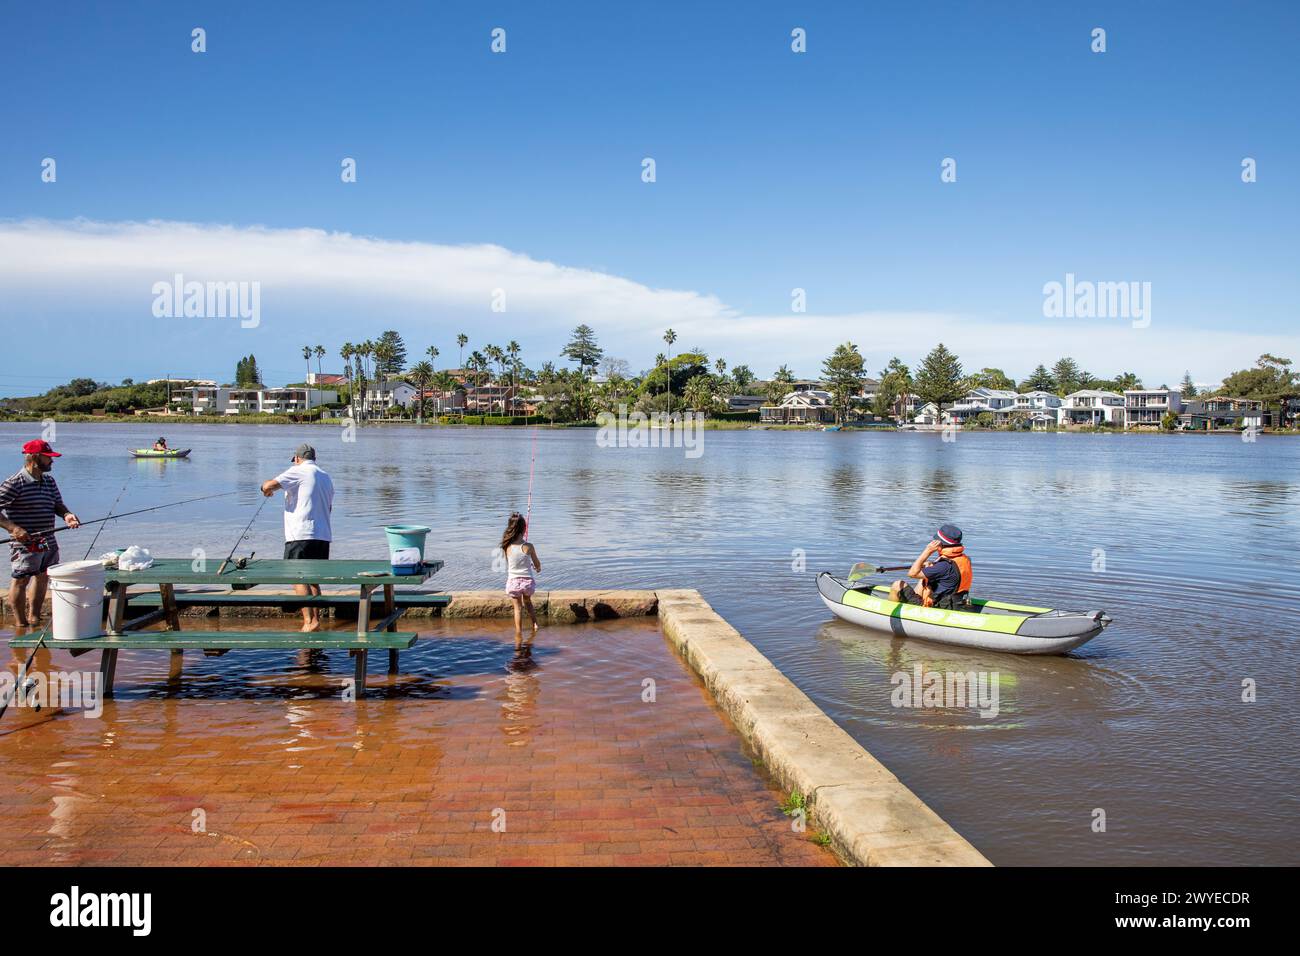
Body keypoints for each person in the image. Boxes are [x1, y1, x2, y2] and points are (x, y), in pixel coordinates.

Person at [0, 440, 80, 627]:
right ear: (35, 459)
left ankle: (34, 617)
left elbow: (57, 505)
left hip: (48, 539)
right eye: (48, 458)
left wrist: (67, 515)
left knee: (43, 576)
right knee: (21, 579)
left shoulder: (49, 481)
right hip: (25, 543)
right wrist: (14, 529)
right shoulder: (15, 483)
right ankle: (20, 624)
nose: (52, 461)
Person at [260, 444, 334, 632]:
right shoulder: (326, 477)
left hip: (300, 535)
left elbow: (269, 485)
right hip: (322, 535)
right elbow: (329, 508)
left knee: (297, 577)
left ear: (297, 458)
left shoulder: (298, 471)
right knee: (314, 579)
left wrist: (265, 489)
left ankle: (309, 622)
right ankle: (316, 620)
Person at [888, 523, 972, 610]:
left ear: (939, 544)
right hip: (956, 603)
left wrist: (927, 551)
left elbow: (912, 574)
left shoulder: (943, 566)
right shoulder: (965, 559)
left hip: (938, 607)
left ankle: (889, 613)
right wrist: (930, 566)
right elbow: (947, 573)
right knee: (924, 576)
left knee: (897, 585)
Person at [500, 512, 541, 655]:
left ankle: (518, 633)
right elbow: (537, 565)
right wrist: (536, 567)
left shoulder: (506, 547)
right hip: (527, 583)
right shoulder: (529, 546)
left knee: (517, 609)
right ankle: (535, 624)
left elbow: (512, 563)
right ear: (524, 529)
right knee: (528, 602)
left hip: (513, 583)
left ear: (510, 528)